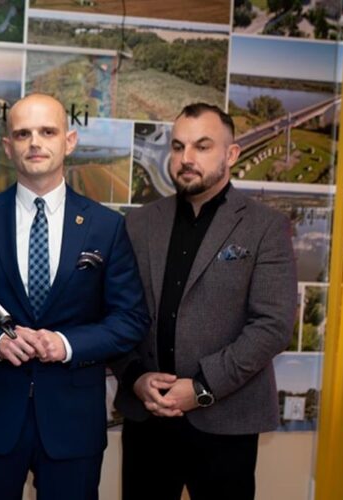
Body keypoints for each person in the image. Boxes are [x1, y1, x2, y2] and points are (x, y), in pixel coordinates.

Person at [0, 93, 149, 500]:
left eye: (47, 132)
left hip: (73, 422)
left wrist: (66, 343)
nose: (35, 142)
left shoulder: (106, 227)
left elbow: (130, 319)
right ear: (8, 147)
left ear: (69, 141)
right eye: (23, 134)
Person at [114, 102, 297, 500]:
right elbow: (117, 313)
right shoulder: (138, 223)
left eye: (202, 146)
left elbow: (273, 325)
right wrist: (135, 377)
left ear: (231, 154)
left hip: (226, 423)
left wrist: (200, 388)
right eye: (178, 146)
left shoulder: (265, 227)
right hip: (148, 419)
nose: (186, 158)